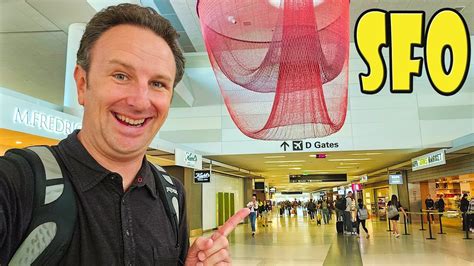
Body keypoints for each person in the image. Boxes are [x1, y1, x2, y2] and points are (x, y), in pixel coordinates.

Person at [0, 4, 249, 265]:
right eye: (121, 75)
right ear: (83, 84)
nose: (140, 102)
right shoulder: (17, 183)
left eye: (157, 84)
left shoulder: (172, 195)